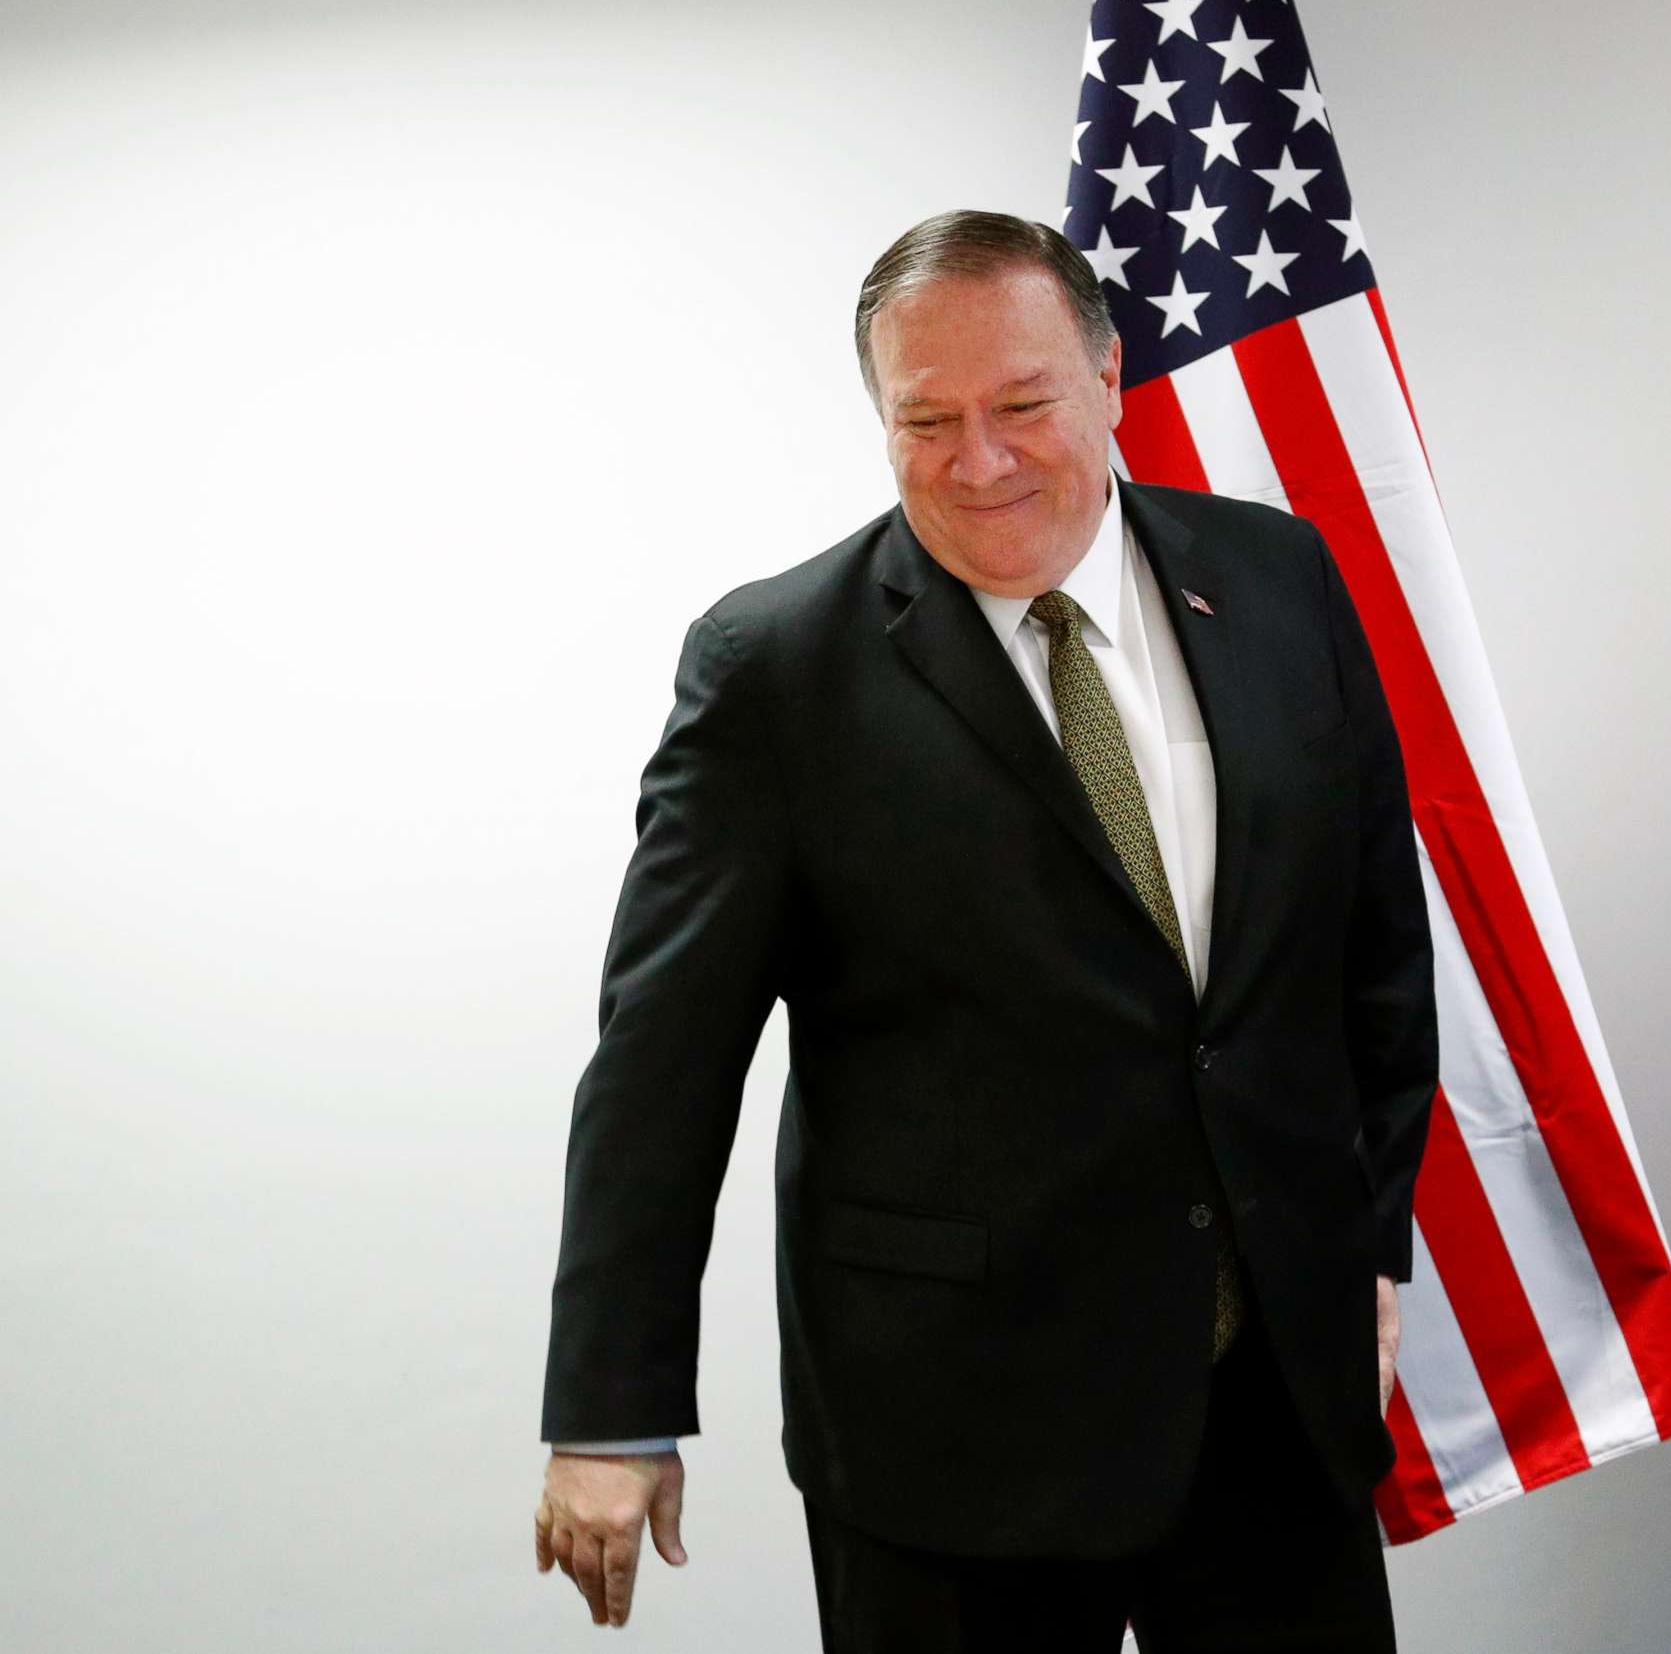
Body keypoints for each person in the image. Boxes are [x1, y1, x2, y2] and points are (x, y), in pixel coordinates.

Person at [528, 210, 1436, 1652]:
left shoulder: (1278, 577)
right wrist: (611, 1405)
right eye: (927, 419)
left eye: (1022, 405)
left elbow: (1374, 947)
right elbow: (662, 1063)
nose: (981, 459)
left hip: (1270, 1390)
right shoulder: (776, 670)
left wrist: (1368, 1238)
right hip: (953, 1430)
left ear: (1109, 378)